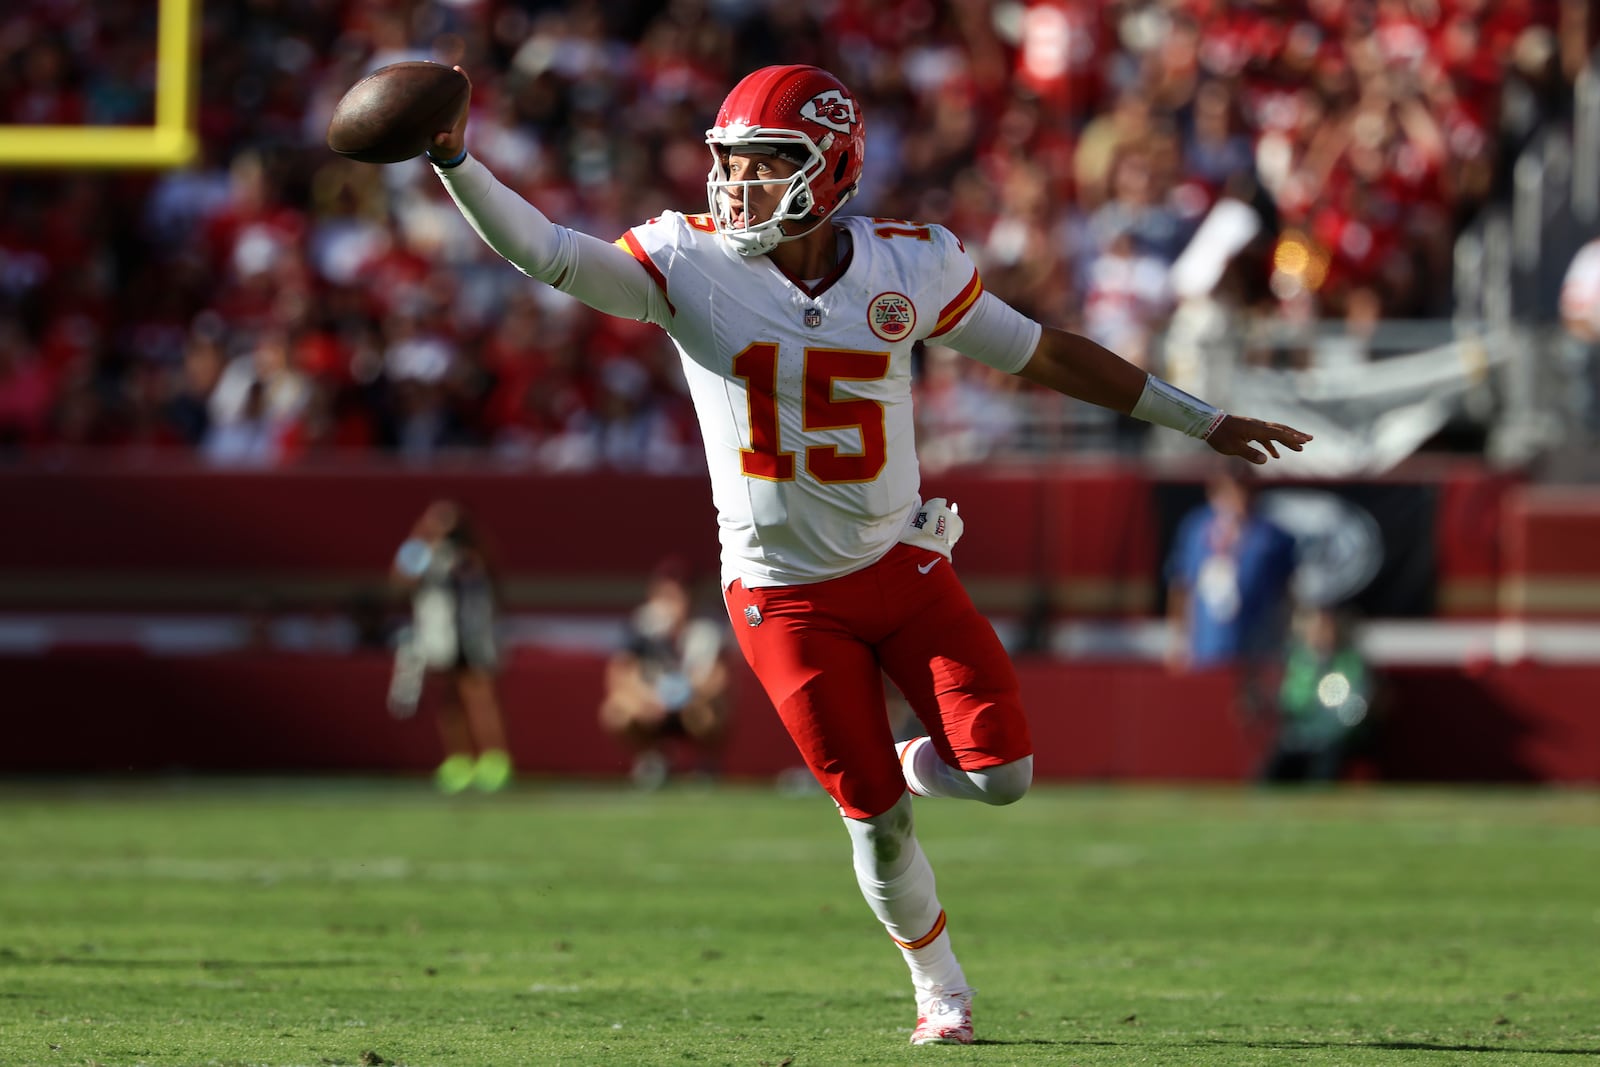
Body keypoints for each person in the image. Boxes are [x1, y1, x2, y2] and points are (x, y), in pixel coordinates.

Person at [421, 63, 1310, 1045]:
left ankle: (897, 763)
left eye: (765, 166)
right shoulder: (691, 262)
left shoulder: (907, 265)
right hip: (783, 593)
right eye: (730, 164)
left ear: (831, 171)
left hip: (902, 561)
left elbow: (1043, 351)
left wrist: (1199, 419)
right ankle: (943, 991)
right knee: (874, 820)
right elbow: (548, 253)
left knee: (1005, 773)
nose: (737, 187)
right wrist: (454, 157)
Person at [388, 499, 514, 794]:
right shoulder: (422, 551)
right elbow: (400, 582)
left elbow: (494, 582)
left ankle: (495, 759)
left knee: (481, 695)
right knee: (449, 701)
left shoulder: (474, 553)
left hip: (473, 634)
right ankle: (458, 761)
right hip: (440, 635)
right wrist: (424, 540)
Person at [1164, 467, 1299, 716]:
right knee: (1204, 712)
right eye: (1230, 491)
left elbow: (1288, 595)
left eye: (1244, 490)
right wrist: (1178, 639)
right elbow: (1181, 585)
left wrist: (1286, 641)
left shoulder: (1272, 537)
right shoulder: (1196, 530)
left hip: (1255, 646)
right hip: (1206, 647)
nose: (1238, 498)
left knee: (1248, 711)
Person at [599, 558, 733, 789]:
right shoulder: (643, 624)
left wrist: (687, 696)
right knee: (617, 712)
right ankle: (653, 760)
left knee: (708, 715)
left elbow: (720, 677)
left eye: (681, 593)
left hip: (693, 705)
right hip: (652, 704)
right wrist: (647, 699)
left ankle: (705, 767)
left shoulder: (710, 626)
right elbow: (620, 671)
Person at [1258, 603, 1376, 784]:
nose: (1320, 634)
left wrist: (1328, 730)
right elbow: (1289, 700)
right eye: (1315, 628)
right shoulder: (1296, 661)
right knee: (1271, 774)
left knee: (1323, 772)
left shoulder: (1349, 661)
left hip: (1333, 739)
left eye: (1325, 627)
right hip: (1299, 737)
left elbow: (1356, 705)